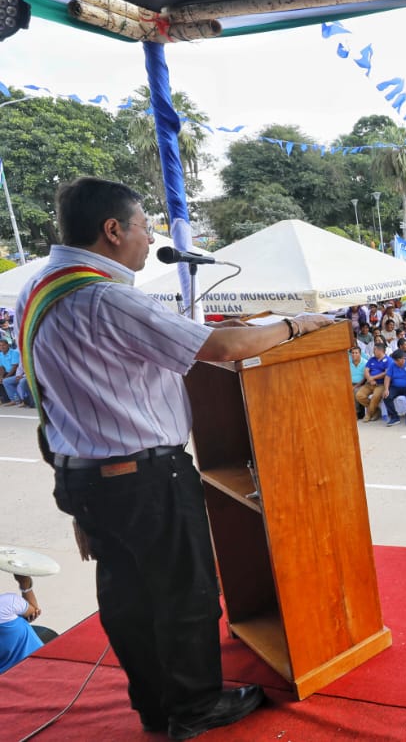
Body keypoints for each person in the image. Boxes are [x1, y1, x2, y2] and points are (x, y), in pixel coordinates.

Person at [16, 177, 333, 737]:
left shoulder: (37, 290)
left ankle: (156, 706)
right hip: (144, 477)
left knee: (128, 598)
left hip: (85, 476)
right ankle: (195, 708)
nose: (149, 238)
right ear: (113, 231)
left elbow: (54, 400)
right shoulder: (106, 298)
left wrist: (79, 501)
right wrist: (295, 324)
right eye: (144, 227)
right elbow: (223, 348)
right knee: (186, 594)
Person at [1, 572, 45, 675]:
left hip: (5, 679)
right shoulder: (8, 603)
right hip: (40, 668)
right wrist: (25, 584)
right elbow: (34, 610)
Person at [383, 349, 406, 426]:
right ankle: (394, 417)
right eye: (394, 360)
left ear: (402, 359)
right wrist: (386, 389)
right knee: (386, 396)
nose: (395, 362)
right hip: (395, 386)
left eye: (397, 360)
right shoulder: (392, 365)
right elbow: (387, 377)